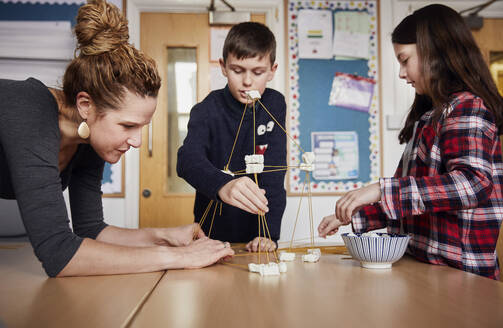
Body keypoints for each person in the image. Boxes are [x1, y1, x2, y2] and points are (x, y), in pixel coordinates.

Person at [0, 0, 233, 278]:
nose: (136, 141)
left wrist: (164, 236)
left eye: (142, 126)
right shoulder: (28, 108)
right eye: (127, 125)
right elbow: (59, 254)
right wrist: (178, 256)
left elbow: (92, 230)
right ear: (86, 105)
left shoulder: (88, 139)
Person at [318, 4, 503, 280]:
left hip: (463, 277)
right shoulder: (429, 117)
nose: (402, 74)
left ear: (436, 53)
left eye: (405, 60)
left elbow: (473, 183)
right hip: (425, 269)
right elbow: (417, 203)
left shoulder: (467, 108)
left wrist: (381, 189)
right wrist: (356, 217)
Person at [177, 22, 286, 252]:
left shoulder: (275, 104)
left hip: (258, 235)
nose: (247, 82)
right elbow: (187, 160)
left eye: (257, 72)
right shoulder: (207, 109)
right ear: (223, 67)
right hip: (211, 233)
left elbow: (274, 175)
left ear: (272, 71)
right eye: (238, 70)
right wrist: (223, 184)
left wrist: (269, 234)